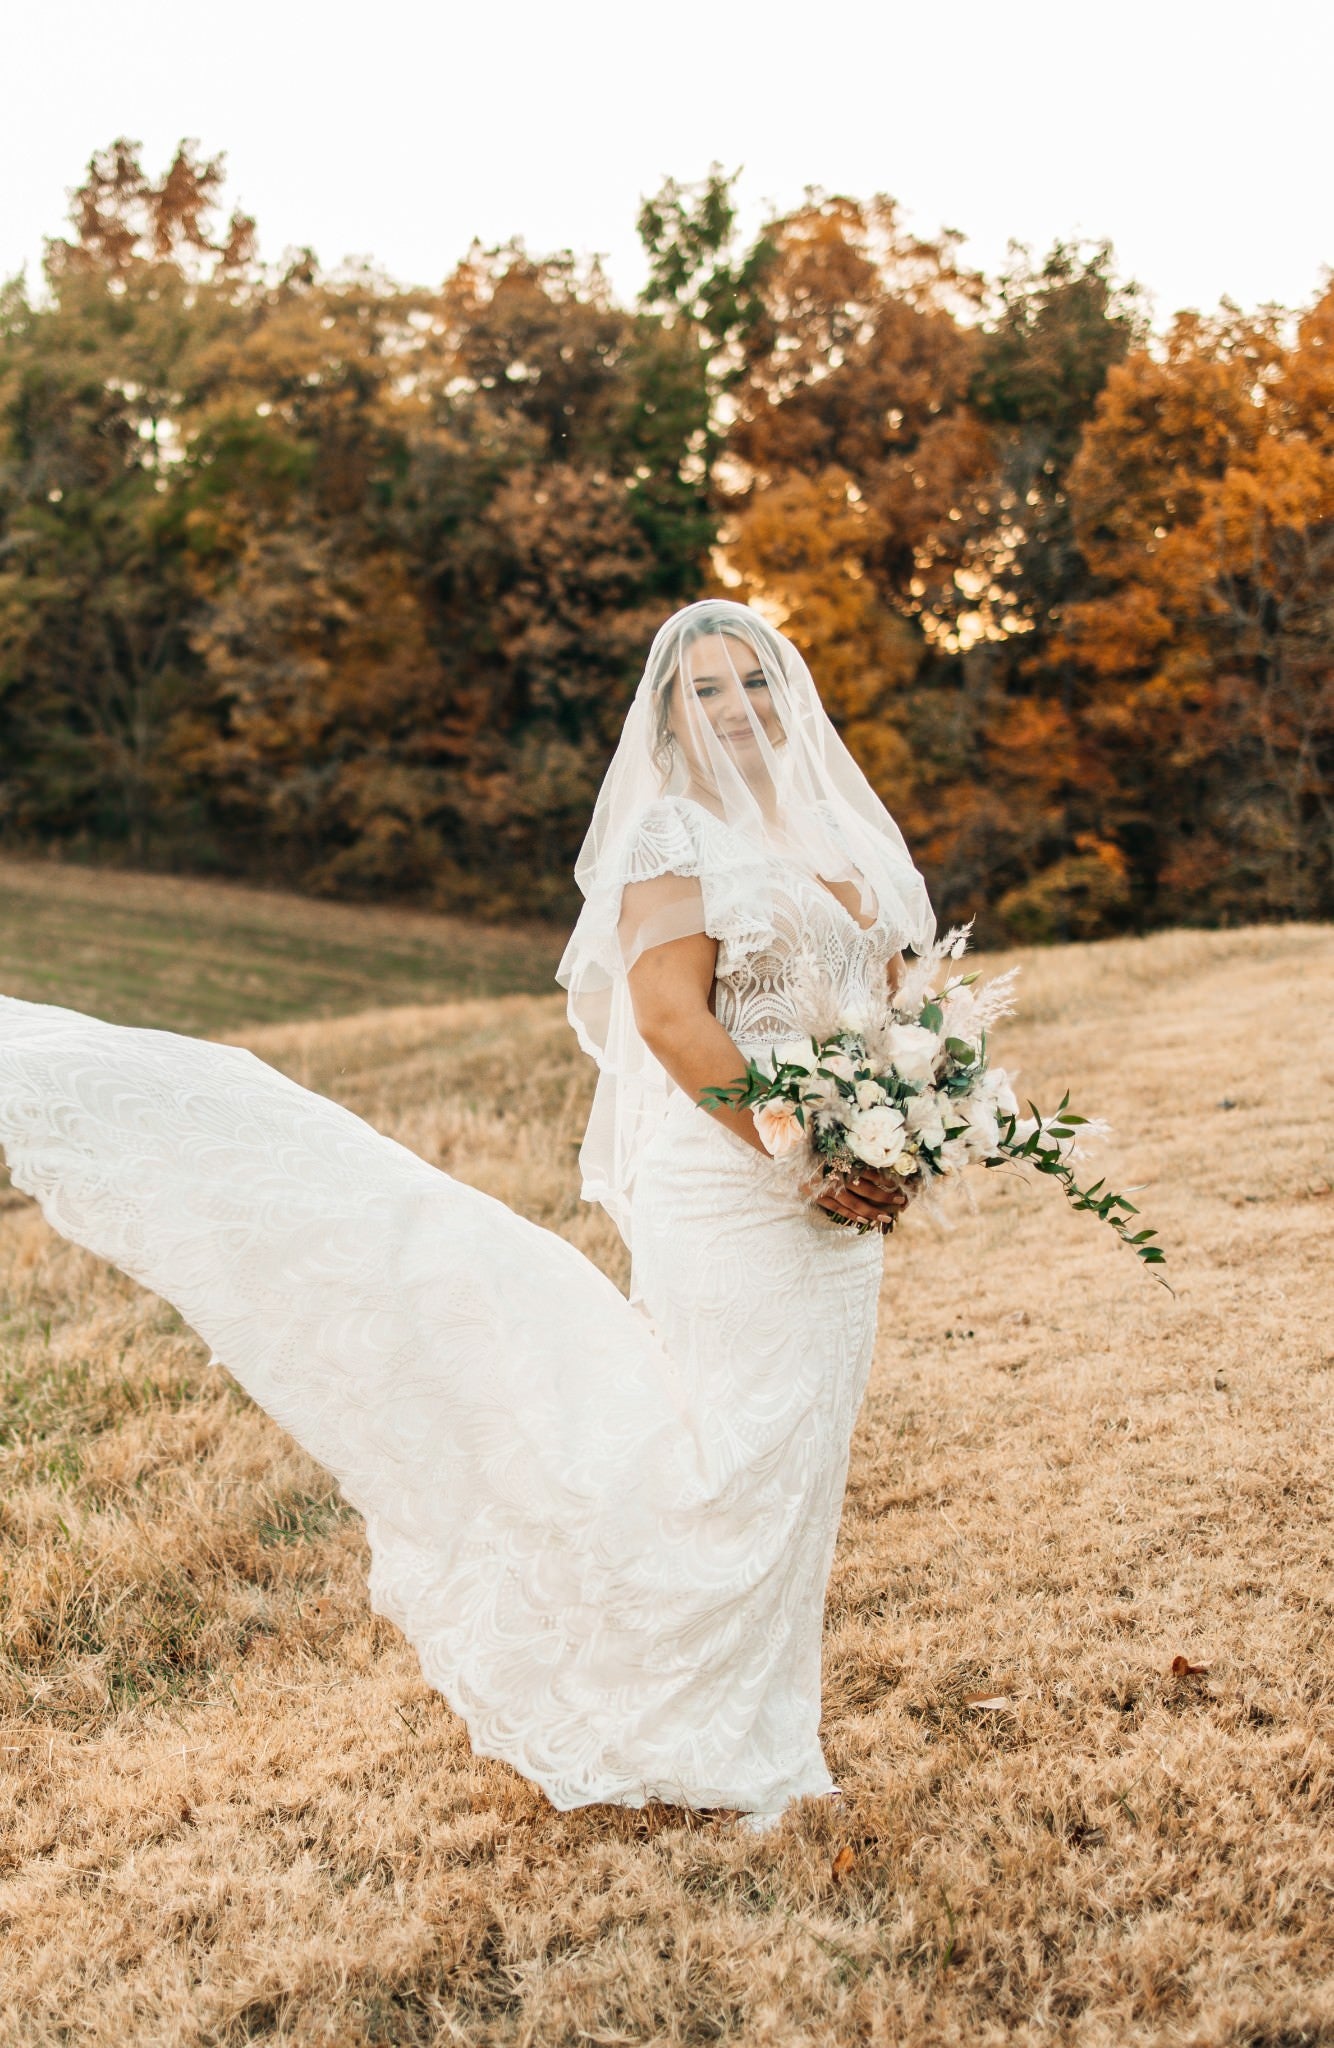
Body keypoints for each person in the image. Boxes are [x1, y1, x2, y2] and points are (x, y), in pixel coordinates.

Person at [0, 598, 933, 1829]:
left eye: (751, 682)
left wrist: (905, 1130)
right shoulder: (671, 833)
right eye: (704, 691)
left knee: (797, 1460)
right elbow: (667, 1016)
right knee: (729, 1456)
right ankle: (689, 1734)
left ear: (790, 693)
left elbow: (900, 1004)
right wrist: (799, 1145)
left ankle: (763, 1727)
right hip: (734, 1182)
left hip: (835, 1204)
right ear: (670, 717)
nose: (736, 708)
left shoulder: (844, 838)